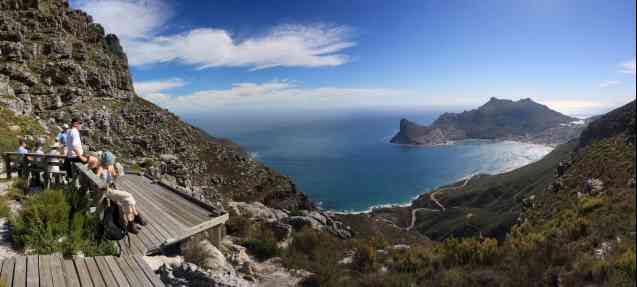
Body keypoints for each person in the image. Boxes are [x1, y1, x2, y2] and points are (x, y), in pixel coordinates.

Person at [85, 152, 146, 234]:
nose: (112, 163)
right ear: (108, 161)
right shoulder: (100, 168)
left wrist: (115, 175)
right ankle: (134, 219)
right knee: (128, 197)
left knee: (128, 200)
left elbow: (113, 179)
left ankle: (133, 220)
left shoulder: (108, 167)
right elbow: (96, 181)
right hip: (105, 191)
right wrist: (102, 183)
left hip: (110, 189)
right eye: (111, 161)